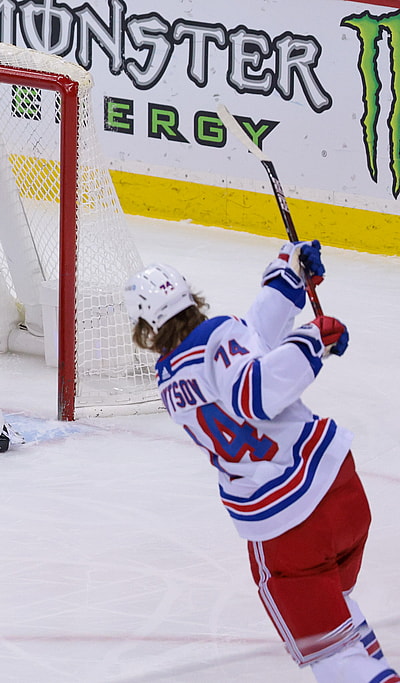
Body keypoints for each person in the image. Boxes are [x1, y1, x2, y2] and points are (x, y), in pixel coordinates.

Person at [123, 242, 397, 683]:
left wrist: (289, 280)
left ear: (145, 330)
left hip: (288, 529)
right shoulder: (220, 337)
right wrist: (311, 338)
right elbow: (251, 364)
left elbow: (251, 381)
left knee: (335, 656)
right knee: (341, 624)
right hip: (341, 496)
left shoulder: (172, 382)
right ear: (192, 298)